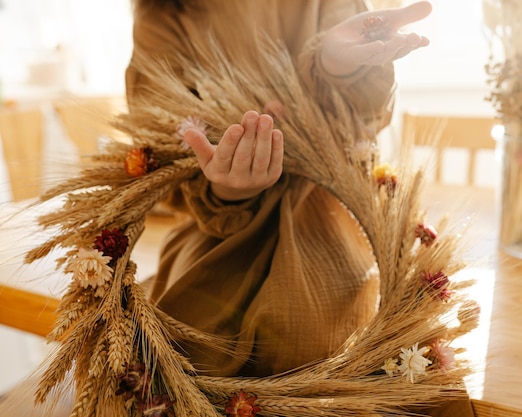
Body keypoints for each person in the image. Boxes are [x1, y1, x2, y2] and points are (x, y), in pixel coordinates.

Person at [125, 0, 432, 377]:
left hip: (333, 216)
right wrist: (228, 189)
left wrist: (335, 66)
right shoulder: (163, 12)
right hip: (220, 232)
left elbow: (362, 117)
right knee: (181, 350)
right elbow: (162, 139)